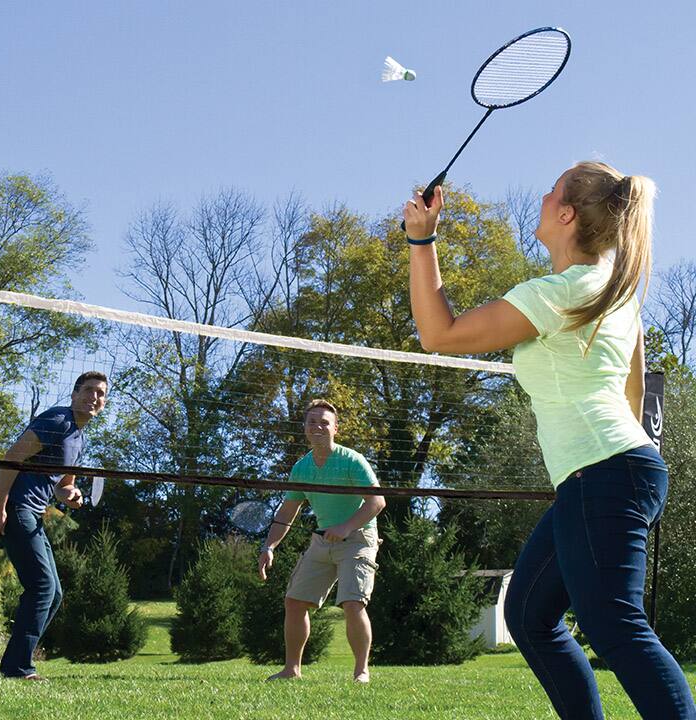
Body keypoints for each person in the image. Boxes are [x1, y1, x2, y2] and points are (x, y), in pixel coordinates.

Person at [405, 163, 696, 719]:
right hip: (616, 468)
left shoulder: (559, 293)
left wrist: (423, 238)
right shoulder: (616, 293)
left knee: (615, 624)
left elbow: (438, 333)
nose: (540, 196)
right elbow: (634, 392)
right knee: (529, 616)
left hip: (604, 471)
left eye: (549, 191)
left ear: (565, 214)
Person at [0, 371, 108, 680]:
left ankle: (15, 664)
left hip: (32, 510)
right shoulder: (59, 420)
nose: (94, 396)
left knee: (53, 594)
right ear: (74, 395)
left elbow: (64, 486)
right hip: (15, 506)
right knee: (42, 587)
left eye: (100, 393)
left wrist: (73, 496)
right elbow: (12, 457)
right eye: (89, 390)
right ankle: (17, 669)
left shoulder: (78, 439)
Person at [257, 399, 386, 683]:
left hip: (359, 536)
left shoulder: (352, 460)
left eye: (324, 422)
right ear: (304, 427)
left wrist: (345, 527)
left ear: (335, 428)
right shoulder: (301, 468)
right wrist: (269, 546)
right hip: (323, 539)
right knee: (294, 602)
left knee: (353, 603)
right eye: (312, 421)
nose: (318, 426)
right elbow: (287, 512)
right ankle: (292, 670)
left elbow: (377, 501)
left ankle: (361, 671)